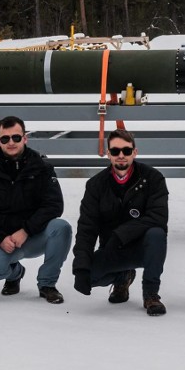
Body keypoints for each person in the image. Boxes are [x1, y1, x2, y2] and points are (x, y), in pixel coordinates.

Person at [0, 116, 71, 304]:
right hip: (5, 241)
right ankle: (15, 273)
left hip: (34, 235)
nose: (11, 143)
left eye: (16, 137)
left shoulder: (42, 168)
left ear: (25, 138)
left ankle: (47, 284)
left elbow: (54, 205)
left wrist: (26, 230)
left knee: (61, 227)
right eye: (5, 138)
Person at [72, 129, 169, 316]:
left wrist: (121, 234)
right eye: (115, 151)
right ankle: (122, 277)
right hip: (112, 249)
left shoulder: (153, 179)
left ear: (135, 152)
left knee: (157, 234)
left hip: (143, 248)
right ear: (108, 154)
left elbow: (158, 217)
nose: (121, 156)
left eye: (126, 150)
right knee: (88, 276)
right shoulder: (95, 185)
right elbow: (87, 227)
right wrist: (81, 267)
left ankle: (151, 294)